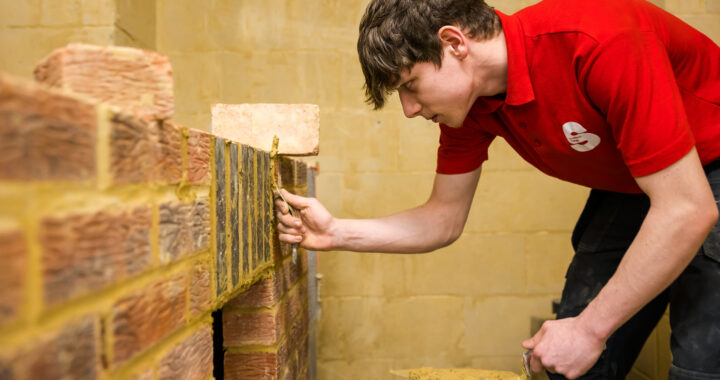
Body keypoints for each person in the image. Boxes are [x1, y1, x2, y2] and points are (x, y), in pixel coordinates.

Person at [275, 0, 720, 378]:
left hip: (707, 170)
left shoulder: (598, 38)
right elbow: (443, 218)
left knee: (699, 360)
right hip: (636, 183)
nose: (409, 109)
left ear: (454, 43)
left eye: (410, 86)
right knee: (568, 359)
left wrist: (589, 331)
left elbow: (687, 208)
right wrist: (336, 233)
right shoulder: (470, 108)